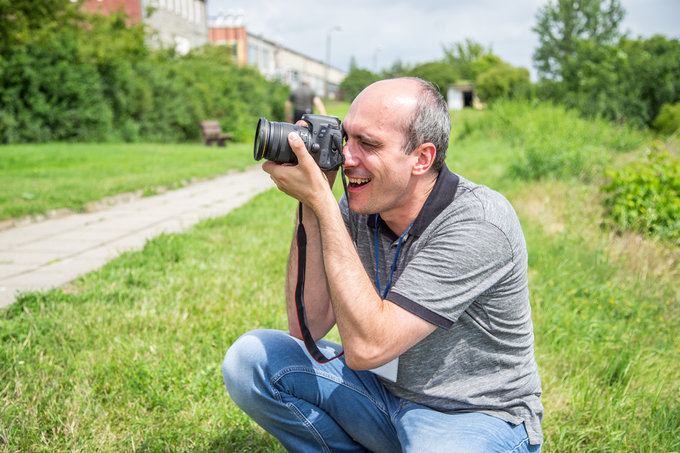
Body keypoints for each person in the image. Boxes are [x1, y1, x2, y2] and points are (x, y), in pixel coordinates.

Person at [222, 77, 543, 452]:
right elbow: (307, 324)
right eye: (347, 138)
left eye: (368, 144)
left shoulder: (479, 224)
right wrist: (314, 205)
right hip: (382, 393)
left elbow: (368, 349)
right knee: (251, 360)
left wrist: (324, 203)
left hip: (471, 415)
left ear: (421, 158)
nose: (347, 157)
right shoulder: (366, 202)